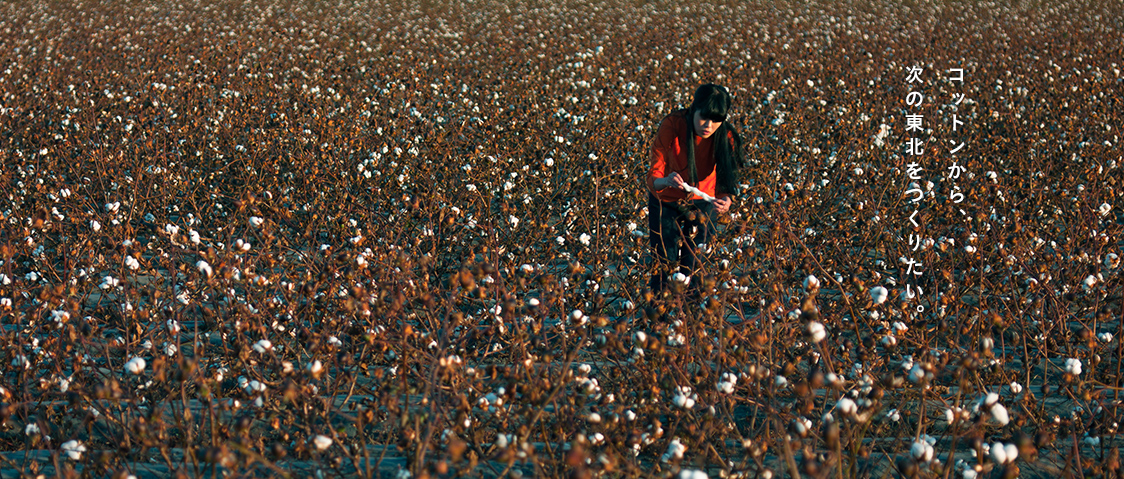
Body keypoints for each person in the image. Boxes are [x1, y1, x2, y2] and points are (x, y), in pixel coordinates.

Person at [646, 84, 744, 294]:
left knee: (696, 265)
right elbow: (654, 176)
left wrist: (726, 201)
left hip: (703, 202)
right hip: (665, 200)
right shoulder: (672, 125)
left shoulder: (726, 137)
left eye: (716, 120)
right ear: (693, 109)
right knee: (664, 263)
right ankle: (659, 319)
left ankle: (690, 320)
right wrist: (667, 180)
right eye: (703, 117)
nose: (708, 125)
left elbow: (726, 182)